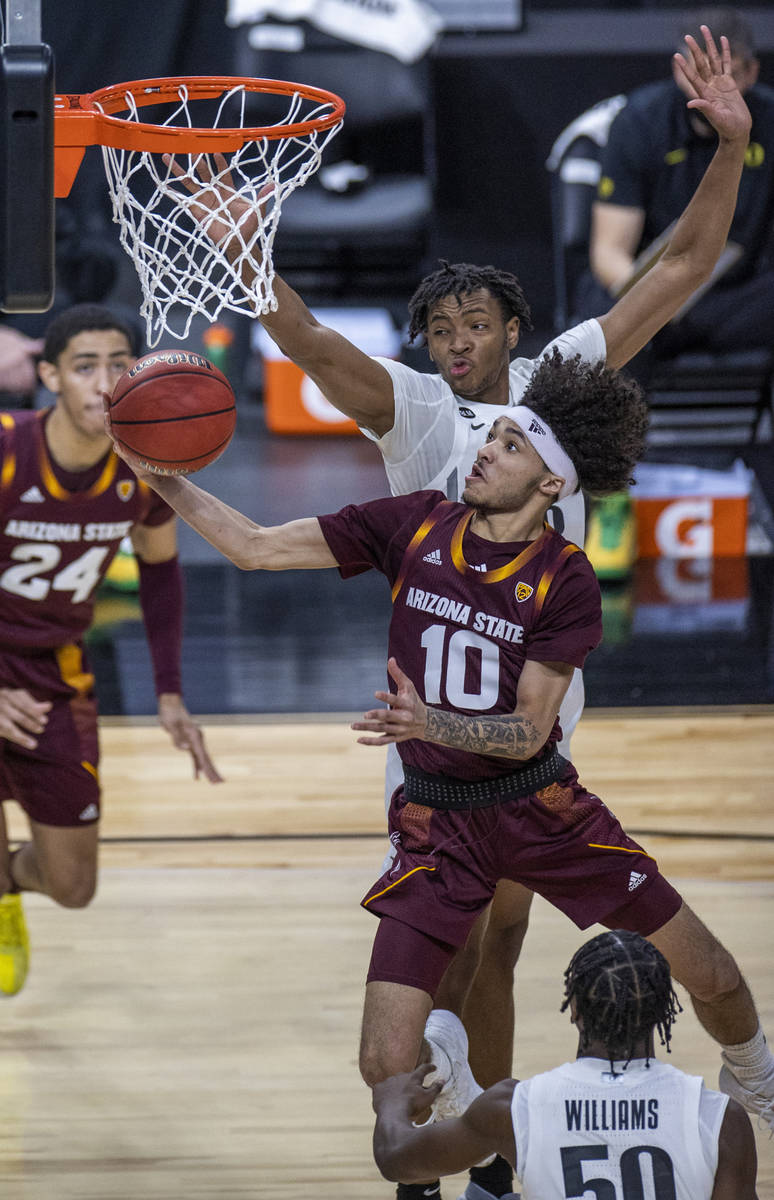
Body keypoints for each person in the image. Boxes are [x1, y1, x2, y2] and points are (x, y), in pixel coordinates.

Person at [168, 27, 758, 1200]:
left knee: (506, 938)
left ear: (513, 329)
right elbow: (312, 344)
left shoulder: (565, 376)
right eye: (439, 329)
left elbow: (682, 267)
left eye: (474, 324)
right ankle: (431, 1158)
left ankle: (481, 1150)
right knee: (447, 950)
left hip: (540, 717)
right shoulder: (419, 411)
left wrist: (731, 147)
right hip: (431, 730)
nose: (456, 343)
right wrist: (250, 259)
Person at [105, 343, 774, 1200]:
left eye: (508, 445)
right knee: (382, 1064)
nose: (483, 450)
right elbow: (256, 546)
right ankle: (451, 1125)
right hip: (437, 820)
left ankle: (754, 1077)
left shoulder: (564, 579)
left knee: (711, 971)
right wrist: (159, 472)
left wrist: (430, 721)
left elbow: (532, 731)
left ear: (550, 486)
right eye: (487, 436)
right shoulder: (414, 520)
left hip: (540, 806)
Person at [0, 303, 221, 997]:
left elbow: (160, 572)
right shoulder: (8, 450)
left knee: (73, 886)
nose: (104, 382)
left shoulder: (144, 469)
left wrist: (169, 692)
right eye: (84, 366)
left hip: (55, 675)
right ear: (48, 377)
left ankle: (9, 881)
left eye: (119, 363)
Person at [371, 930, 759, 1199]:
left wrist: (391, 1105)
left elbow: (396, 1159)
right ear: (663, 1013)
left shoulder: (514, 1107)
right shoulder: (720, 1119)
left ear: (574, 1007)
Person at [576, 7, 774, 371]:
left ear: (751, 73)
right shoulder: (638, 123)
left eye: (725, 73)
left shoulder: (769, 121)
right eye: (697, 72)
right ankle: (619, 427)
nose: (711, 88)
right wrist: (654, 303)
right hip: (649, 288)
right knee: (600, 321)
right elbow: (609, 252)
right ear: (677, 69)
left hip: (732, 296)